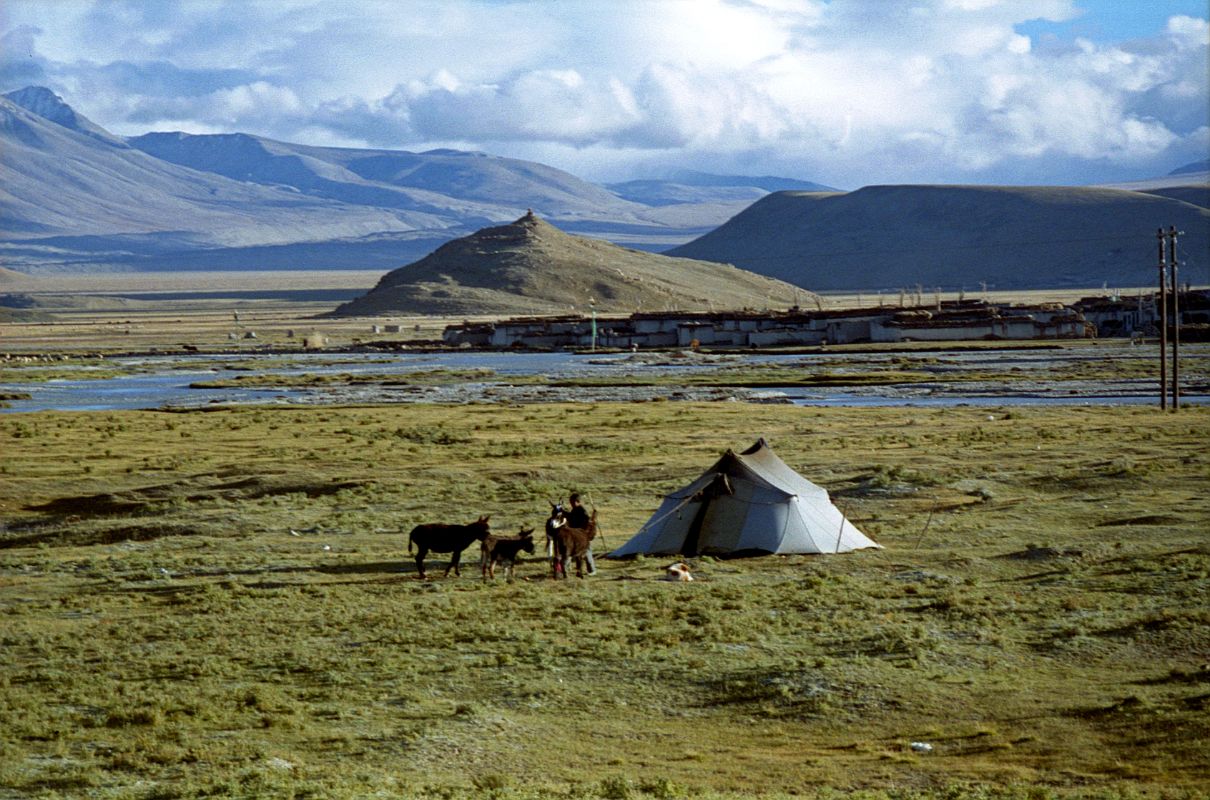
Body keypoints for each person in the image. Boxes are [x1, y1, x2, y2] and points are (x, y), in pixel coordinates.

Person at [565, 492, 596, 575]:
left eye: (572, 502)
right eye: (570, 502)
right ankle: (565, 569)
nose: (571, 504)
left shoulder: (582, 511)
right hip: (574, 535)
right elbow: (571, 518)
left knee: (586, 552)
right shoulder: (574, 510)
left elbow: (586, 522)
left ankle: (592, 570)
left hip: (582, 535)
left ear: (577, 501)